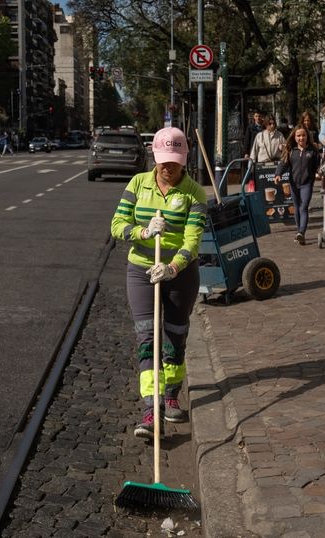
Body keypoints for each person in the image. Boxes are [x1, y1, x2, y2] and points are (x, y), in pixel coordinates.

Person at [110, 127, 207, 439]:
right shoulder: (138, 184)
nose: (169, 168)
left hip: (180, 275)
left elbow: (192, 242)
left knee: (174, 338)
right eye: (165, 161)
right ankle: (152, 410)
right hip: (140, 270)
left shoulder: (195, 192)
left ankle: (171, 395)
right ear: (155, 157)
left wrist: (172, 267)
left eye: (175, 162)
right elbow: (117, 225)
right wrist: (142, 232)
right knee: (147, 339)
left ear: (184, 160)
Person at [274, 125, 320, 245]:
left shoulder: (312, 150)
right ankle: (299, 232)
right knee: (296, 207)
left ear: (307, 136)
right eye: (298, 135)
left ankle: (301, 232)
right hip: (294, 183)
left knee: (303, 207)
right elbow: (283, 164)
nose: (301, 138)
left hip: (307, 183)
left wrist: (319, 172)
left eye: (303, 135)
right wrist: (278, 174)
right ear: (294, 137)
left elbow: (317, 165)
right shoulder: (290, 151)